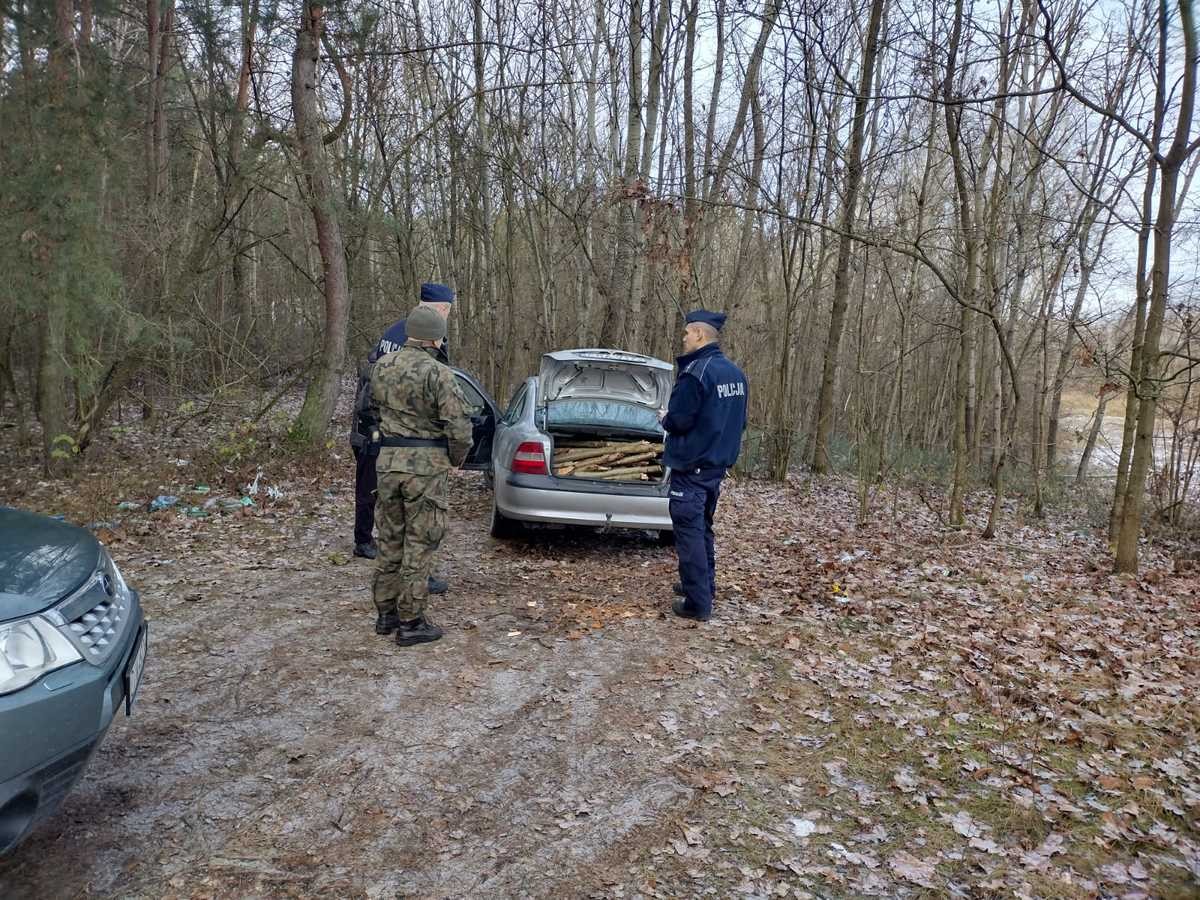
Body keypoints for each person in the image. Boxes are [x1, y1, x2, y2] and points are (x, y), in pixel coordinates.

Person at [368, 305, 473, 646]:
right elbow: (459, 427)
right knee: (420, 542)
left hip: (387, 463)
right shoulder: (439, 373)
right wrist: (457, 459)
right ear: (435, 338)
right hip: (424, 467)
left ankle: (386, 613)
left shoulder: (382, 366)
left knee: (389, 537)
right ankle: (411, 621)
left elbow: (370, 409)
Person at [351, 283, 455, 592]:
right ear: (439, 309)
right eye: (447, 309)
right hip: (394, 438)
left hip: (382, 432)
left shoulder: (398, 331)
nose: (448, 315)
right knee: (409, 514)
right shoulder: (412, 337)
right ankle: (409, 575)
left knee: (386, 505)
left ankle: (386, 578)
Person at [659, 310, 748, 622]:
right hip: (714, 469)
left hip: (693, 467)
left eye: (686, 333)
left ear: (698, 334)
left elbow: (680, 420)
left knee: (690, 532)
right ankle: (702, 586)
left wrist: (664, 418)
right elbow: (741, 422)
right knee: (702, 528)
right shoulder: (736, 375)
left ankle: (697, 604)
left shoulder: (696, 372)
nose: (683, 338)